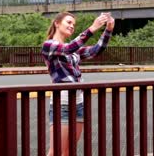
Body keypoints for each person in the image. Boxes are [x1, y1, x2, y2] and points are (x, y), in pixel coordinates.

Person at [41, 12, 114, 156]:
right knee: (56, 151)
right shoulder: (49, 46)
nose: (72, 26)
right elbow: (68, 48)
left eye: (73, 24)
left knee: (69, 151)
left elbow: (95, 51)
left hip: (78, 103)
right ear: (57, 23)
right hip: (61, 103)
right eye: (68, 22)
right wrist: (92, 28)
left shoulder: (72, 49)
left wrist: (108, 29)